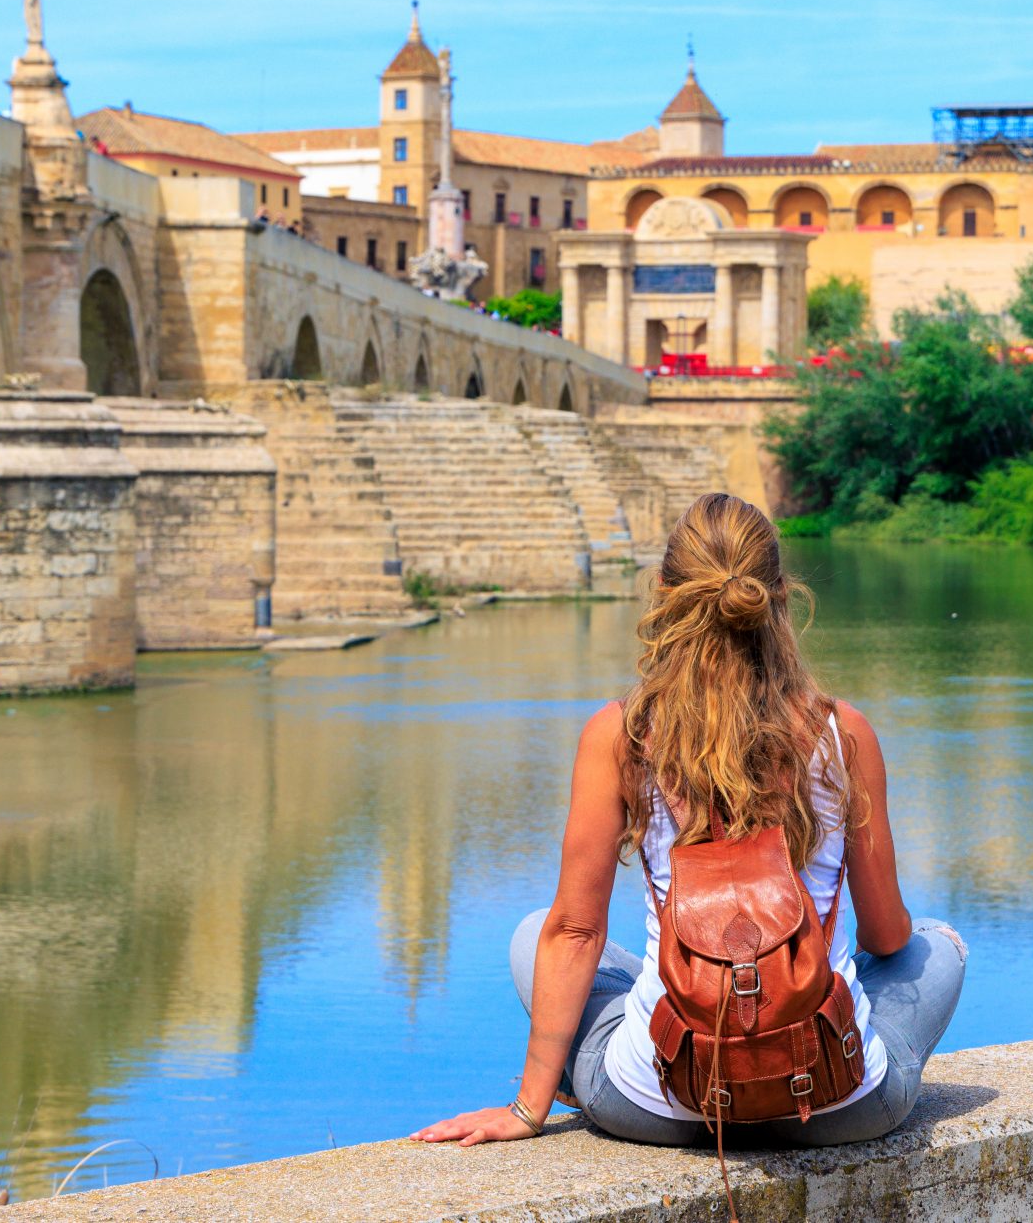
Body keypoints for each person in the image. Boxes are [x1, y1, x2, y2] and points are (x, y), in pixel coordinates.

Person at [413, 493, 965, 1151]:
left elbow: (576, 931)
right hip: (835, 1105)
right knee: (939, 946)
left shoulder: (621, 735)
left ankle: (588, 1069)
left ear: (663, 593)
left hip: (661, 1103)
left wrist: (528, 1109)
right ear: (780, 596)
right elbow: (884, 932)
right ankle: (859, 1061)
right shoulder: (843, 734)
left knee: (537, 933)